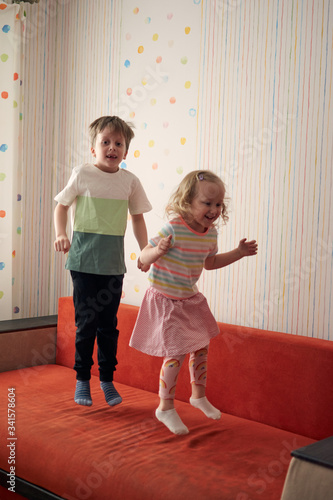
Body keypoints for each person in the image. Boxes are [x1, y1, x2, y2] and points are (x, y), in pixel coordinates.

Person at [130, 170, 257, 435]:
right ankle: (165, 407)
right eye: (207, 203)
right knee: (175, 355)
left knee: (201, 347)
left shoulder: (210, 234)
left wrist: (238, 253)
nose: (213, 210)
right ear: (188, 202)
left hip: (189, 299)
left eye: (218, 204)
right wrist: (157, 251)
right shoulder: (174, 227)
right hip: (165, 300)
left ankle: (198, 396)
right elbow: (144, 255)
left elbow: (210, 263)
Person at [54, 115, 152, 407]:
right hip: (83, 262)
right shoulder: (82, 174)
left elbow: (137, 218)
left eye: (118, 143)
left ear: (126, 150)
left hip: (112, 265)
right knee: (86, 322)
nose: (112, 147)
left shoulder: (130, 182)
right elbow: (61, 207)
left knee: (108, 324)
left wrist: (145, 250)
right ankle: (82, 379)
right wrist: (61, 234)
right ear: (93, 149)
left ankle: (107, 379)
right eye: (105, 142)